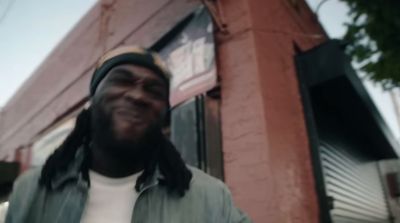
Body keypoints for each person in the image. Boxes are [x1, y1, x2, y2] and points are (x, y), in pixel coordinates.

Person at [5, 46, 252, 223]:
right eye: (122, 81)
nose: (138, 95)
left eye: (154, 91)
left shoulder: (210, 197)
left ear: (164, 112)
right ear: (92, 101)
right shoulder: (33, 190)